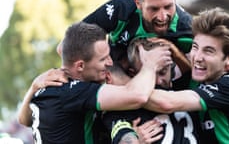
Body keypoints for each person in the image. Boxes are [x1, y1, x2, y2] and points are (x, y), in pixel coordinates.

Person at [17, 22, 172, 144]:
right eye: (103, 59)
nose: (110, 62)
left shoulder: (49, 85)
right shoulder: (74, 91)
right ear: (80, 66)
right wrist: (151, 64)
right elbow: (137, 95)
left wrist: (34, 87)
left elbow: (24, 120)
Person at [144, 8, 229, 144]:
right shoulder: (202, 79)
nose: (197, 57)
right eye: (195, 47)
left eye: (208, 51)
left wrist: (122, 90)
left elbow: (166, 103)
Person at [56, 0, 193, 71]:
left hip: (165, 89)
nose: (163, 17)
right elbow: (65, 48)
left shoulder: (187, 26)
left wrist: (174, 52)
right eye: (154, 9)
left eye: (168, 6)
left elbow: (199, 71)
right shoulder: (120, 10)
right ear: (138, 3)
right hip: (113, 79)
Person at [102, 37, 200, 144]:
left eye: (163, 72)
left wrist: (174, 51)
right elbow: (122, 135)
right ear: (133, 73)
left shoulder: (183, 88)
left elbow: (188, 71)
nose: (158, 81)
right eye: (151, 73)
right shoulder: (119, 111)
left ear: (171, 66)